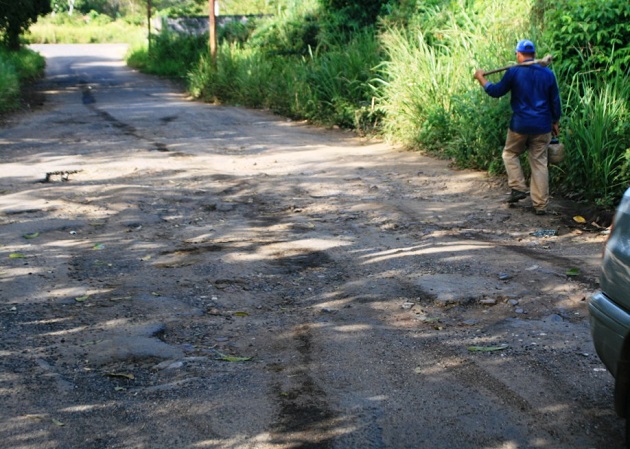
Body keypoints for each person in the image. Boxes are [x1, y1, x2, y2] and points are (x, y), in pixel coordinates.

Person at [474, 39, 562, 215]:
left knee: (510, 153)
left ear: (519, 55)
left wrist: (481, 78)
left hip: (520, 126)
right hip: (542, 126)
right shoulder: (548, 73)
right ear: (534, 54)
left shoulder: (514, 71)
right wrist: (555, 122)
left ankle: (518, 187)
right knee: (539, 163)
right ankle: (540, 205)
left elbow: (495, 91)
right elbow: (555, 102)